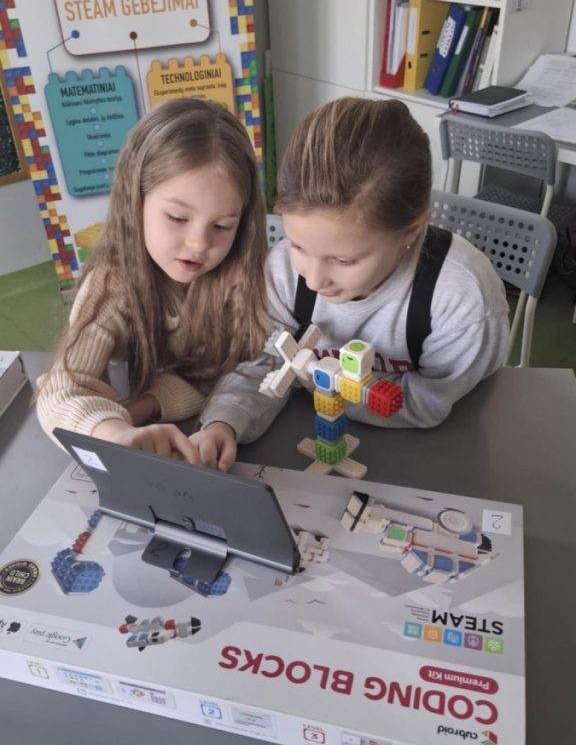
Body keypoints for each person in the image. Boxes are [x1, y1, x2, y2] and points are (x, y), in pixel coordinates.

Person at [199, 97, 510, 440]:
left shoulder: (462, 300)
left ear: (410, 231)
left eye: (343, 261)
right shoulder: (283, 271)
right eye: (298, 246)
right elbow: (266, 363)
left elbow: (427, 402)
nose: (313, 280)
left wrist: (319, 381)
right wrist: (224, 423)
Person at [36, 97, 269, 471]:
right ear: (135, 202)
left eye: (222, 226)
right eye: (177, 217)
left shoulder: (243, 275)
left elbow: (238, 371)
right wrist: (115, 433)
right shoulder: (112, 283)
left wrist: (145, 406)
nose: (199, 244)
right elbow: (59, 392)